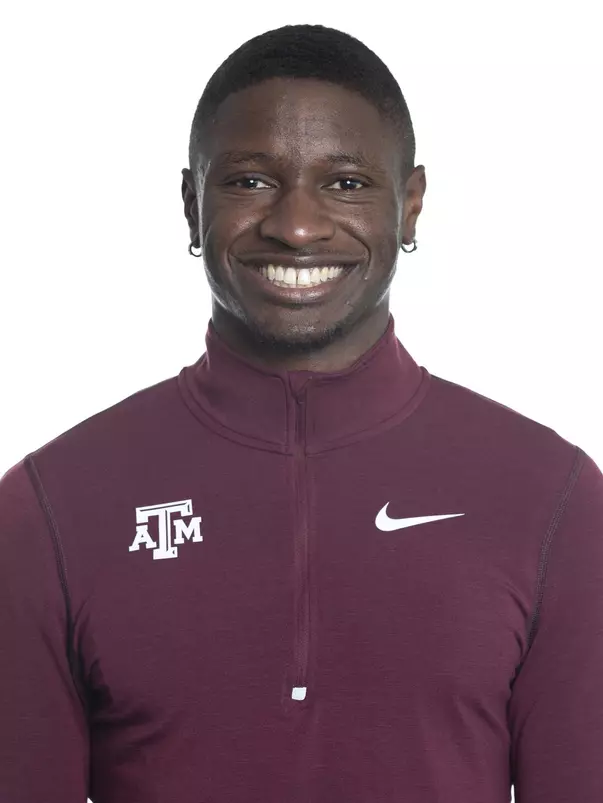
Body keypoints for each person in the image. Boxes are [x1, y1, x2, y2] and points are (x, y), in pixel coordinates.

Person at [0, 23, 601, 803]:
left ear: (409, 207)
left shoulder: (550, 498)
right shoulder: (49, 509)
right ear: (191, 204)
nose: (297, 225)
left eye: (346, 183)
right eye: (249, 181)